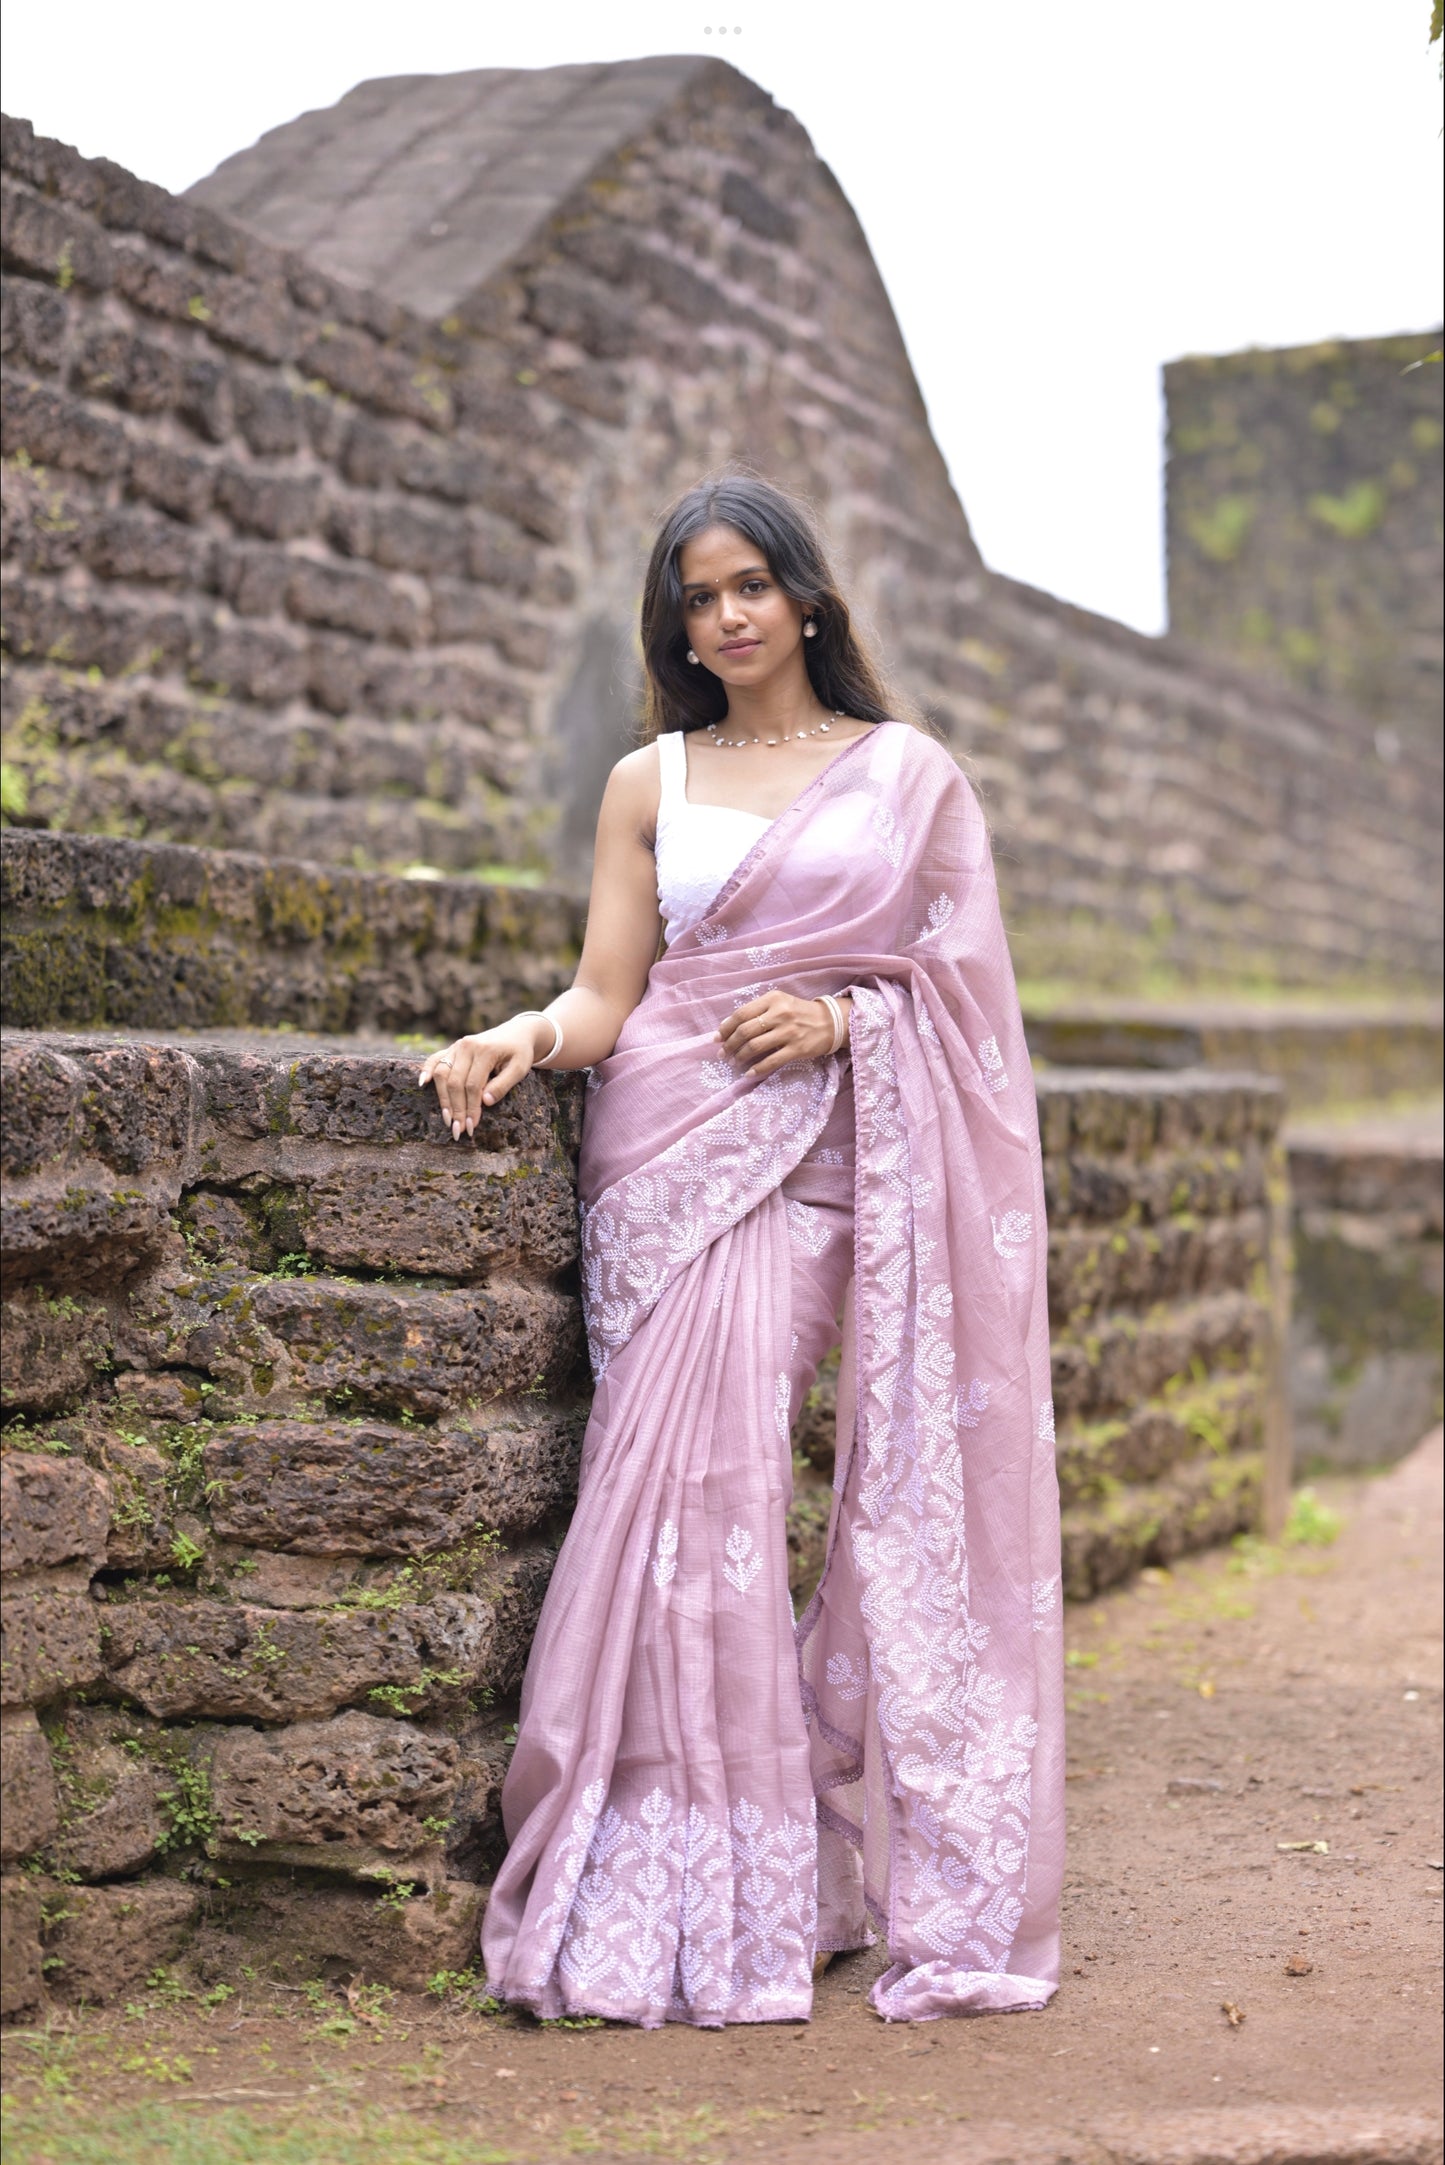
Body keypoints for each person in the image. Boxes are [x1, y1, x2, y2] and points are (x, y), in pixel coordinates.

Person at [418, 474, 1064, 2028]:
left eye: (751, 584)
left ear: (807, 596)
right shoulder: (649, 780)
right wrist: (521, 1032)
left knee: (728, 1488)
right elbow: (608, 992)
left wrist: (849, 1019)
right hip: (656, 1154)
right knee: (668, 1501)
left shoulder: (904, 778)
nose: (728, 615)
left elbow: (970, 1003)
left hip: (819, 1160)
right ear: (678, 625)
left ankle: (760, 1884)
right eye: (698, 596)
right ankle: (673, 1875)